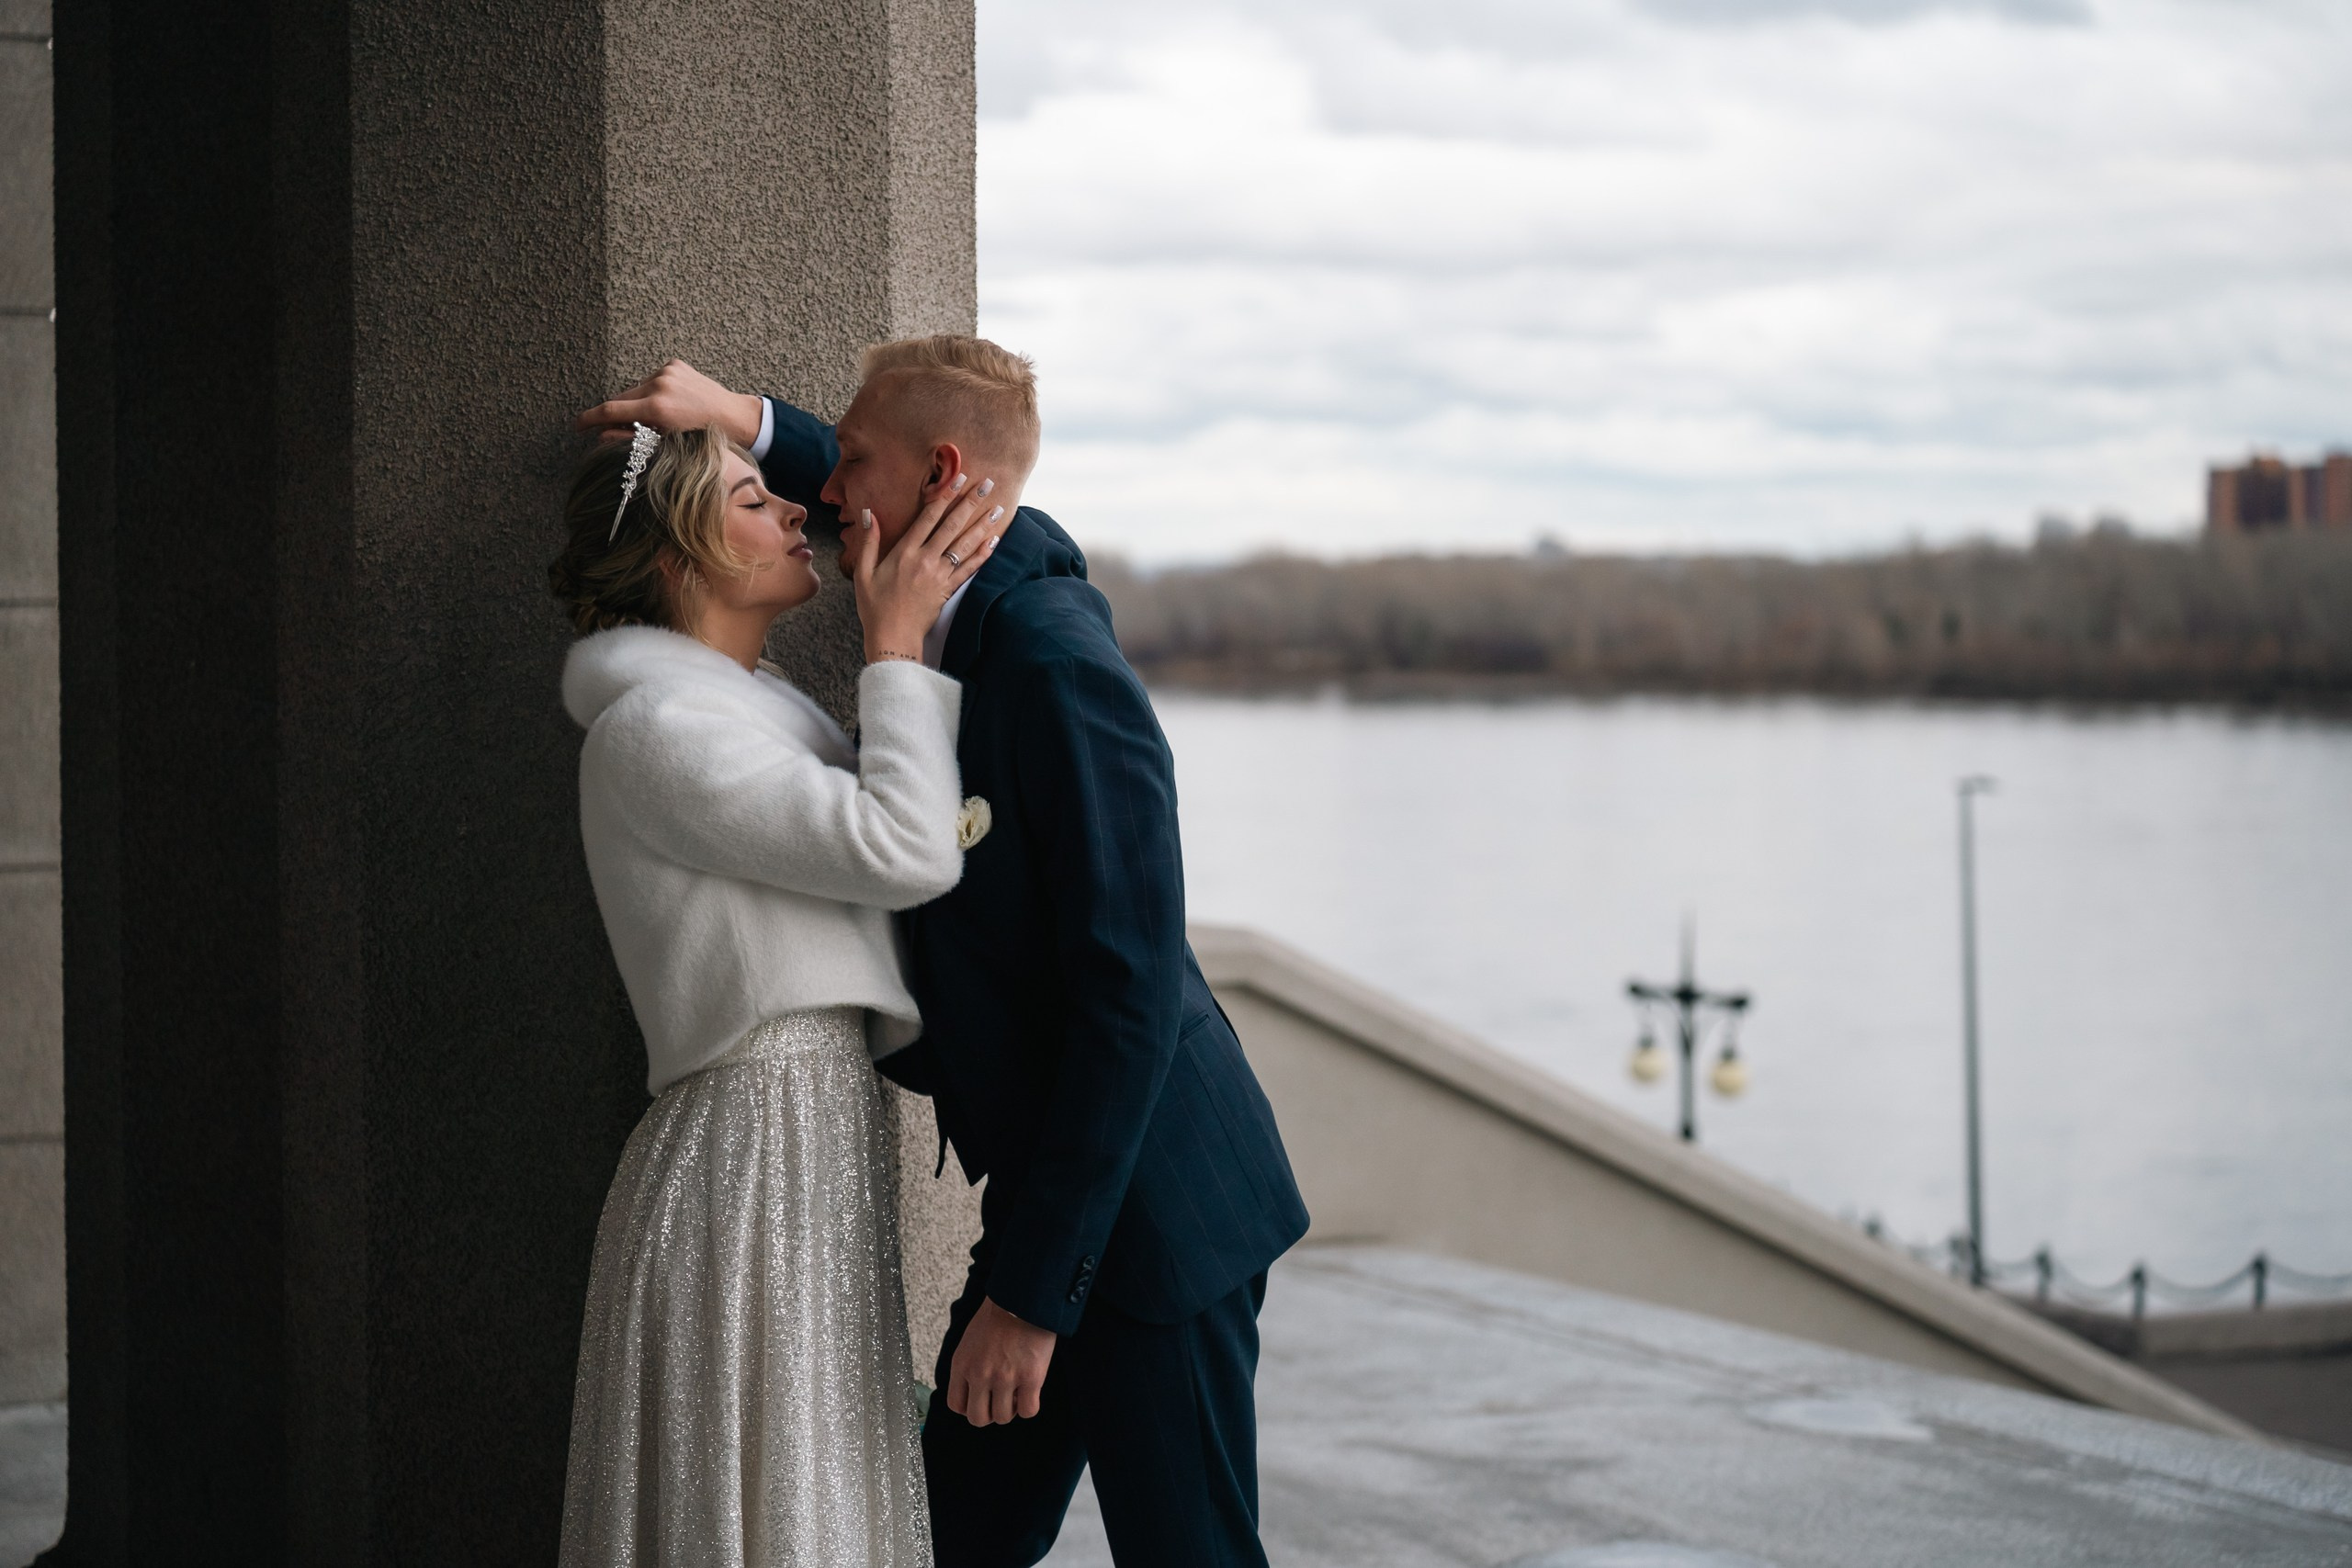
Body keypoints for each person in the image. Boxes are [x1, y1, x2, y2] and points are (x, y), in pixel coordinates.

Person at [578, 341, 1312, 1568]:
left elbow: (1128, 998)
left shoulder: (1052, 658)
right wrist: (749, 419)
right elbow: (922, 493)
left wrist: (1026, 1301)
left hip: (1151, 1215)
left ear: (943, 479)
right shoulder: (966, 593)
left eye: (850, 461)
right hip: (1048, 1204)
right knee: (945, 1539)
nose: (825, 492)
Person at [548, 421, 1004, 1567]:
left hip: (806, 1142)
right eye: (755, 500)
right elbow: (905, 848)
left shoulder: (763, 714)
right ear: (680, 558)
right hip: (750, 1156)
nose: (799, 508)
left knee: (811, 1496)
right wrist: (893, 645)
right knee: (772, 1505)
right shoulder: (657, 728)